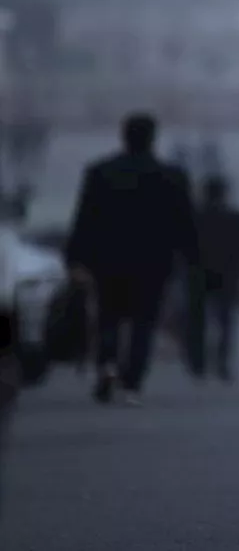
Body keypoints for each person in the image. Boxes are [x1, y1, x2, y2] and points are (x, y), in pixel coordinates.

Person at [65, 113, 199, 405]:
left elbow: (85, 218)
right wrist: (192, 258)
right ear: (153, 138)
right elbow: (185, 222)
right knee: (143, 322)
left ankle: (107, 365)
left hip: (108, 260)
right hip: (154, 262)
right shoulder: (172, 176)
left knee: (108, 316)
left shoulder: (99, 172)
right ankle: (131, 382)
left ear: (123, 136)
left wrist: (74, 258)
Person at [192, 175, 239, 383]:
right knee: (225, 321)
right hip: (228, 274)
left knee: (198, 320)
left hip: (199, 274)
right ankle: (222, 363)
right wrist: (238, 261)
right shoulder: (235, 217)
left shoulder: (195, 217)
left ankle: (199, 363)